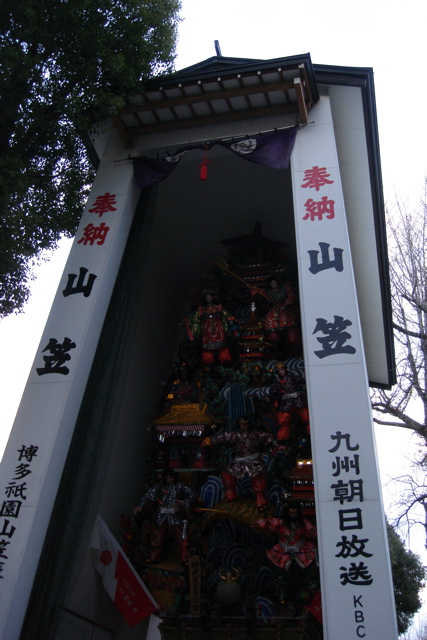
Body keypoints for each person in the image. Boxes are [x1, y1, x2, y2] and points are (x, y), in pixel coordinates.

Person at [203, 415, 279, 509]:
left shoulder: (257, 435)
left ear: (249, 425)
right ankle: (231, 494)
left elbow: (269, 438)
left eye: (245, 425)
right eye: (241, 425)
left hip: (254, 461)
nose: (242, 427)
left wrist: (277, 447)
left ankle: (260, 498)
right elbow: (224, 437)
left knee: (258, 478)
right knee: (227, 474)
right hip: (239, 461)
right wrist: (211, 440)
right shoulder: (235, 435)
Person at [133, 468, 196, 563]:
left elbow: (192, 496)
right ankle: (154, 556)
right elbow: (147, 495)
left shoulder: (180, 487)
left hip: (175, 515)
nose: (169, 480)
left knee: (181, 536)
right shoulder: (159, 487)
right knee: (157, 536)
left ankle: (185, 556)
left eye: (170, 478)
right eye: (167, 478)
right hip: (161, 514)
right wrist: (141, 505)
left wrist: (181, 503)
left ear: (174, 477)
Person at [256, 505, 317, 570]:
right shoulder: (280, 522)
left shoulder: (304, 523)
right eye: (290, 513)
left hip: (301, 551)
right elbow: (267, 523)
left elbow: (313, 532)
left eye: (295, 513)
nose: (293, 515)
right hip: (282, 551)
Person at [184, 289, 232, 365]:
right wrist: (186, 322)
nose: (208, 298)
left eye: (210, 296)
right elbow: (194, 318)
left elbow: (226, 315)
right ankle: (208, 362)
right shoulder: (201, 309)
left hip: (218, 328)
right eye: (207, 297)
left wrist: (230, 320)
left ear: (213, 297)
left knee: (221, 346)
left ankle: (224, 360)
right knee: (207, 349)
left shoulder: (218, 307)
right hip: (207, 329)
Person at [269, 362, 309, 440]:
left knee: (306, 417)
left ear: (285, 370)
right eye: (279, 371)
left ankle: (311, 432)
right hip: (287, 403)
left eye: (282, 370)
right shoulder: (278, 384)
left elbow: (304, 381)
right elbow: (273, 393)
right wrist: (270, 398)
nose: (281, 372)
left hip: (298, 401)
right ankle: (283, 438)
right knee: (284, 420)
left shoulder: (293, 378)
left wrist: (304, 387)